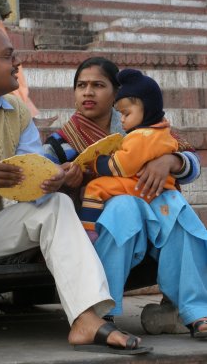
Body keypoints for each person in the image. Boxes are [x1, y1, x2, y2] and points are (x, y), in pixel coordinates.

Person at [0, 23, 153, 364]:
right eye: (8, 56)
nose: (16, 63)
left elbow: (30, 172)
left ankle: (85, 317)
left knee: (54, 205)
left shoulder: (16, 112)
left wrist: (53, 178)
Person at [43, 57, 207, 338]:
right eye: (81, 85)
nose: (88, 93)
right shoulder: (62, 140)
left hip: (153, 219)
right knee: (124, 206)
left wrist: (171, 161)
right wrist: (64, 180)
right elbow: (39, 178)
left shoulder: (141, 126)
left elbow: (191, 162)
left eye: (98, 85)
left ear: (117, 93)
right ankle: (101, 310)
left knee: (177, 210)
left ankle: (196, 312)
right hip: (97, 230)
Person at [79, 68, 179, 242]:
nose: (122, 119)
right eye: (81, 85)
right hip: (159, 188)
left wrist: (97, 163)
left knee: (95, 187)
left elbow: (122, 165)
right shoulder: (162, 130)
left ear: (147, 110)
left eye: (126, 113)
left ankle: (89, 232)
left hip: (142, 186)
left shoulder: (141, 135)